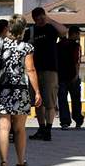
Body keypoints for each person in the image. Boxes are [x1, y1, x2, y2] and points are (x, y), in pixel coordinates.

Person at [0, 15, 42, 166]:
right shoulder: (26, 47)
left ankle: (3, 162)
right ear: (23, 30)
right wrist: (37, 91)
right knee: (19, 129)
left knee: (3, 127)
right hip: (19, 91)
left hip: (1, 89)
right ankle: (20, 163)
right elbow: (30, 70)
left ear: (9, 28)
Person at [24, 7, 67, 141]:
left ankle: (48, 129)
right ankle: (41, 128)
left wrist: (49, 20)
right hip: (35, 70)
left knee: (50, 102)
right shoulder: (30, 32)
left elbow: (64, 31)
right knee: (38, 102)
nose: (41, 20)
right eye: (38, 18)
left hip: (50, 69)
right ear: (34, 19)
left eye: (43, 17)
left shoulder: (51, 29)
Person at [57, 26, 84, 130]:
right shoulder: (76, 46)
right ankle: (78, 120)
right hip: (72, 76)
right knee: (76, 99)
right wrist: (76, 75)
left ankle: (65, 121)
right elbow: (77, 61)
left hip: (61, 76)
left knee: (62, 99)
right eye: (78, 34)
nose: (79, 36)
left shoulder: (59, 45)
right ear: (74, 34)